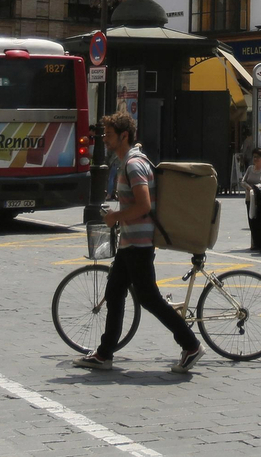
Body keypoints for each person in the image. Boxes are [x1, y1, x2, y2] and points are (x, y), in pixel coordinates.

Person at [74, 110, 203, 373]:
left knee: (149, 299)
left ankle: (190, 345)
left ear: (124, 136)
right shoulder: (130, 162)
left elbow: (143, 205)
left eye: (109, 136)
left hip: (139, 243)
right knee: (115, 293)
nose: (105, 140)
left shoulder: (133, 164)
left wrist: (115, 217)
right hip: (129, 243)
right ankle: (104, 354)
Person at [242, 150, 261, 250]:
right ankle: (254, 243)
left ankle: (260, 242)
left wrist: (256, 188)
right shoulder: (250, 169)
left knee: (260, 220)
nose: (255, 159)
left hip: (259, 198)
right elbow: (243, 181)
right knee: (251, 220)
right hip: (249, 198)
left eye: (258, 157)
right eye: (254, 157)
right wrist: (249, 188)